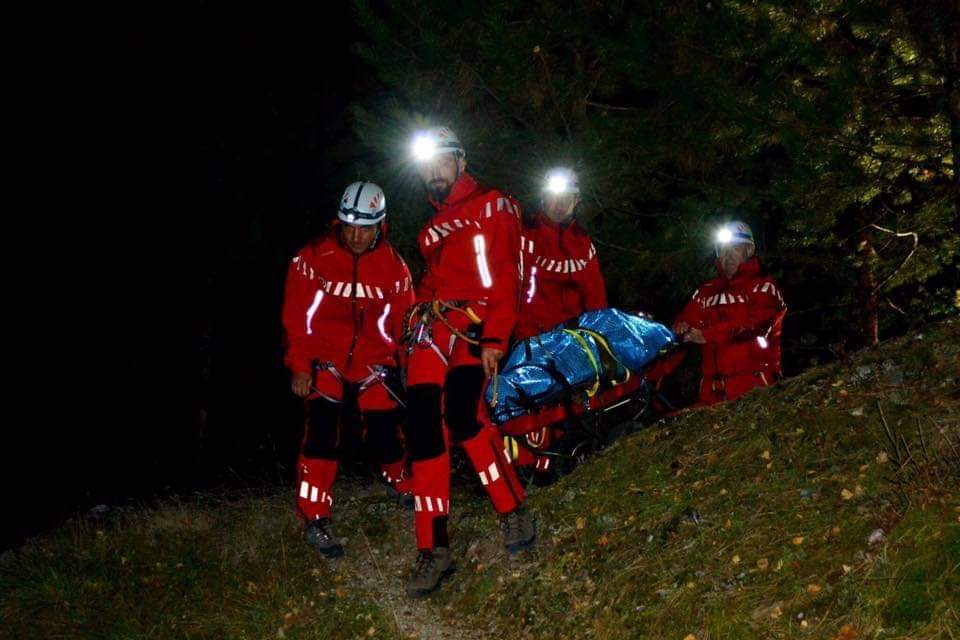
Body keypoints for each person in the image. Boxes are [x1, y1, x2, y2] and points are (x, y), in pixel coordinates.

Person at [402, 125, 535, 596]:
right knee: (423, 429)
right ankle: (433, 547)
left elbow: (508, 272)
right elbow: (431, 283)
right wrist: (413, 318)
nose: (434, 173)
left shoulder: (494, 204)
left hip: (478, 322)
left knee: (463, 413)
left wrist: (497, 334)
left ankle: (512, 508)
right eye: (426, 167)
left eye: (442, 162)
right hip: (434, 326)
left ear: (460, 161)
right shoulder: (430, 230)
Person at [282, 181, 414, 558]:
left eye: (365, 228)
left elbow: (404, 325)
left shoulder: (394, 268)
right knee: (321, 433)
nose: (356, 236)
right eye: (349, 227)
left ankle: (401, 482)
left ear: (380, 226)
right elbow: (296, 317)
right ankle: (315, 515)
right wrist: (299, 365)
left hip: (375, 361)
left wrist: (408, 369)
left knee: (385, 430)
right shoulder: (312, 259)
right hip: (325, 359)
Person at [512, 167, 607, 480]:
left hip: (576, 341)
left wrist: (597, 338)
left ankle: (577, 461)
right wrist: (526, 337)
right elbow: (519, 291)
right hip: (535, 338)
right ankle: (530, 467)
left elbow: (595, 296)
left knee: (581, 407)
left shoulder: (583, 242)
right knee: (535, 405)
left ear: (577, 201)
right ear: (543, 197)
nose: (560, 203)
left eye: (567, 197)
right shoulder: (527, 236)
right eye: (554, 196)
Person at [672, 221, 786, 405]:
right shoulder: (706, 290)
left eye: (735, 249)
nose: (728, 256)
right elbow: (687, 319)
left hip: (755, 386)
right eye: (723, 250)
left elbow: (757, 324)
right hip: (711, 393)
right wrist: (681, 327)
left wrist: (708, 335)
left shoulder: (763, 287)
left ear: (749, 250)